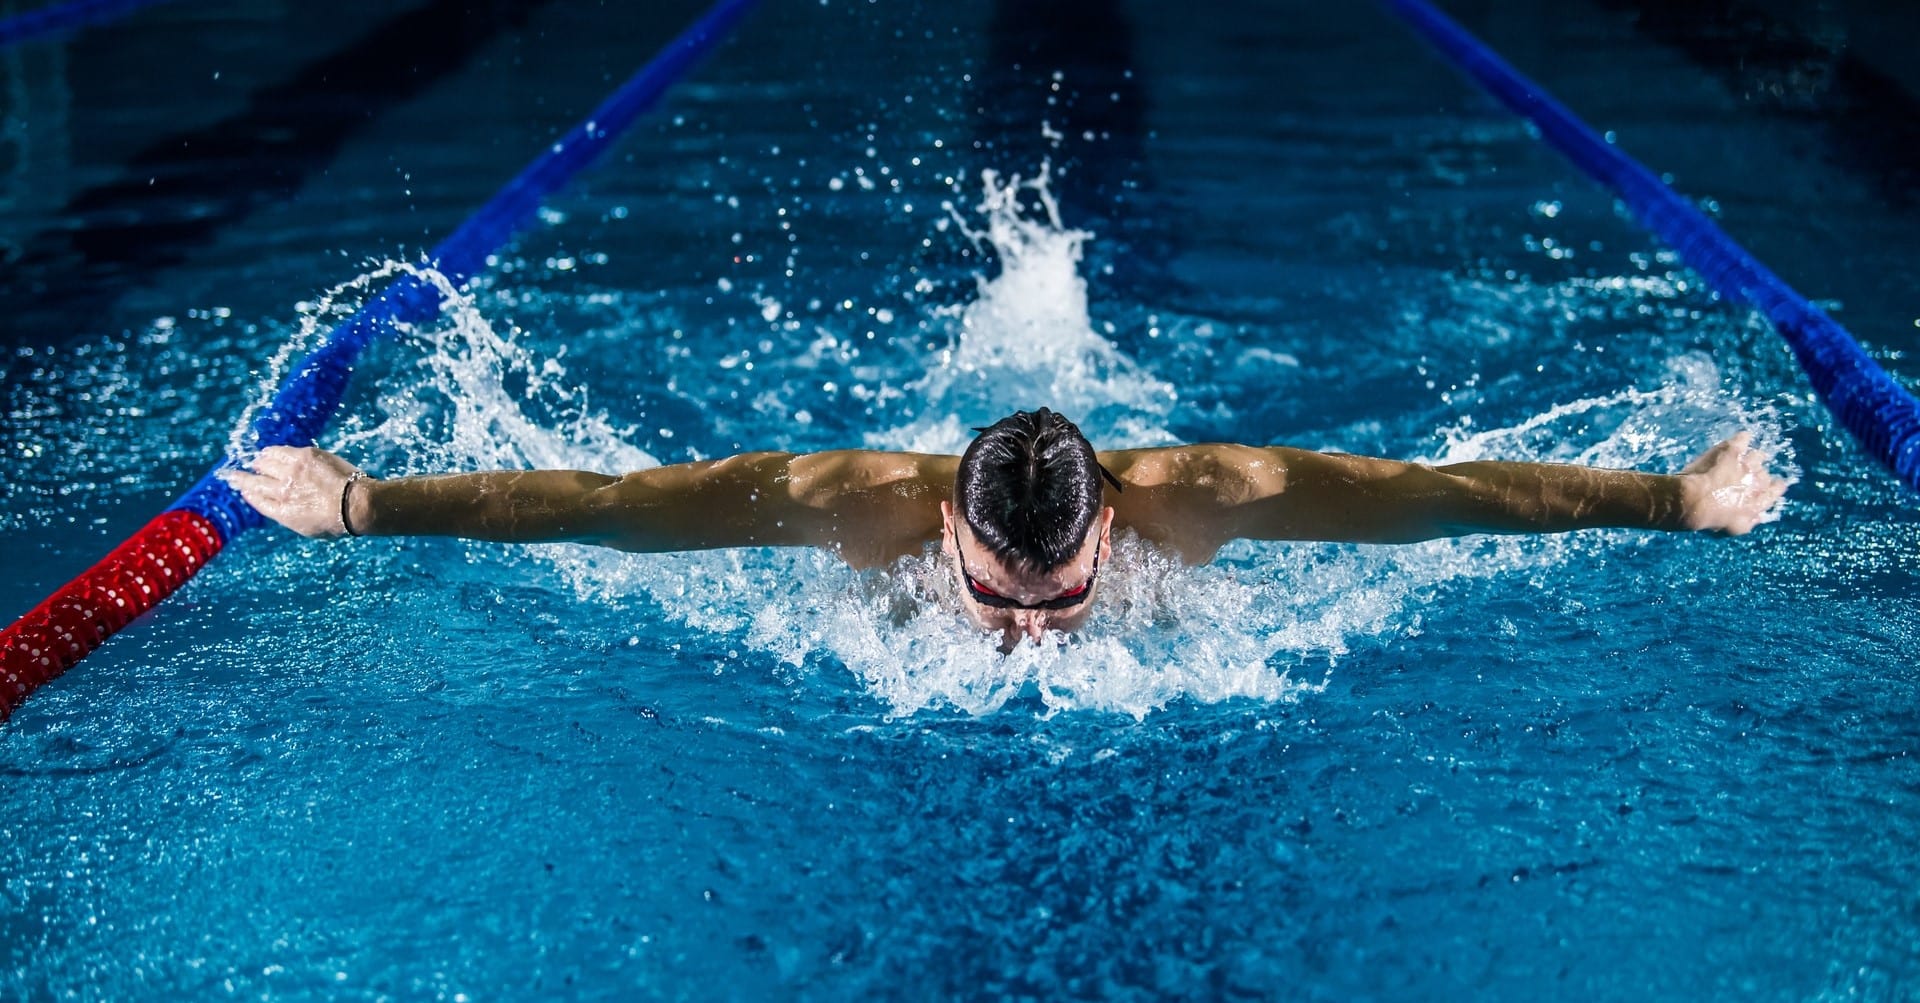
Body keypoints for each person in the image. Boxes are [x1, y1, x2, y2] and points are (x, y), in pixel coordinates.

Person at [223, 408, 1786, 649]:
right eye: (994, 593)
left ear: (1115, 518)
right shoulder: (850, 508)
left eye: (1058, 599)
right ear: (945, 532)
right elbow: (614, 512)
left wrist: (1676, 501)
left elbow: (1446, 497)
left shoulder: (1214, 496)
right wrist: (362, 505)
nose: (1025, 636)